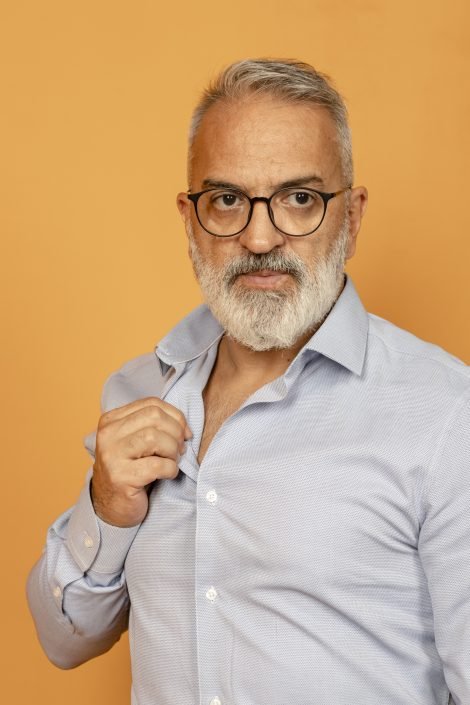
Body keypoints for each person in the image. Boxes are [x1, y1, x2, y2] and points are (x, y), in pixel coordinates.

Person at [27, 58, 469, 705]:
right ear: (190, 220)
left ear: (351, 219)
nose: (260, 237)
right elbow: (64, 640)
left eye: (299, 198)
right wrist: (105, 508)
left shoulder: (447, 415)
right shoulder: (140, 390)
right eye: (228, 200)